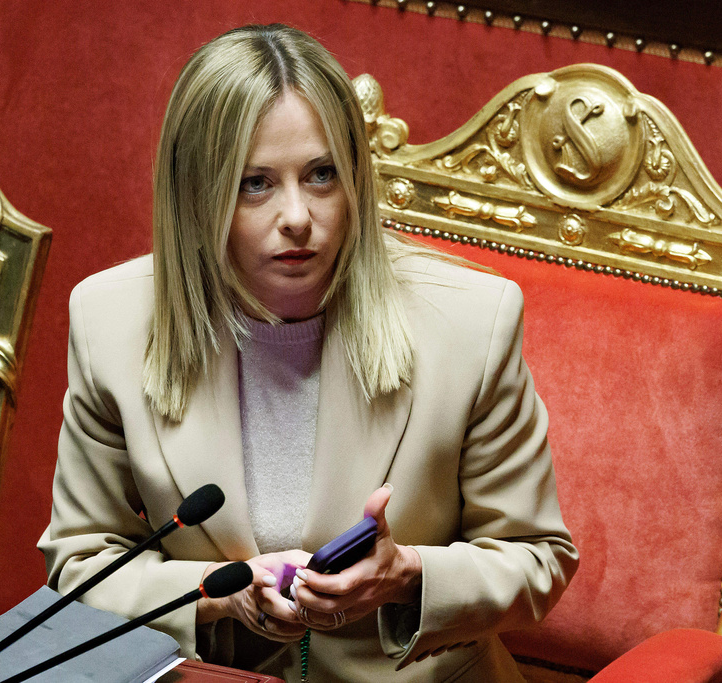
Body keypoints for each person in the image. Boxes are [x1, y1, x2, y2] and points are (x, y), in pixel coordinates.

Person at [39, 24, 577, 682]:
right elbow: (80, 565)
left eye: (321, 175)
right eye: (255, 183)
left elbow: (536, 558)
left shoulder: (471, 321)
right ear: (196, 196)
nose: (297, 215)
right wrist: (217, 590)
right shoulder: (110, 319)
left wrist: (407, 575)